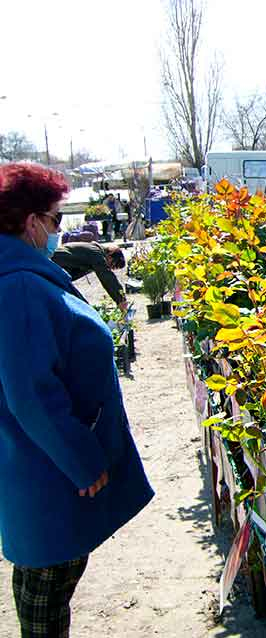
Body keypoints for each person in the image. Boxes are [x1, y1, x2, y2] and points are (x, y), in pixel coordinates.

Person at [0, 163, 153, 638]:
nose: (58, 230)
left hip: (43, 470)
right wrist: (83, 461)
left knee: (46, 587)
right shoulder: (19, 286)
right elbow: (33, 395)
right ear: (31, 223)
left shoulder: (21, 275)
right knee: (45, 593)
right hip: (50, 475)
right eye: (55, 219)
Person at [52, 241, 129, 311]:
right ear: (109, 256)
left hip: (59, 270)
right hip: (56, 267)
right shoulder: (96, 253)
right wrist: (121, 300)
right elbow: (107, 277)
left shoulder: (94, 251)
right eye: (112, 265)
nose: (110, 267)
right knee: (82, 307)